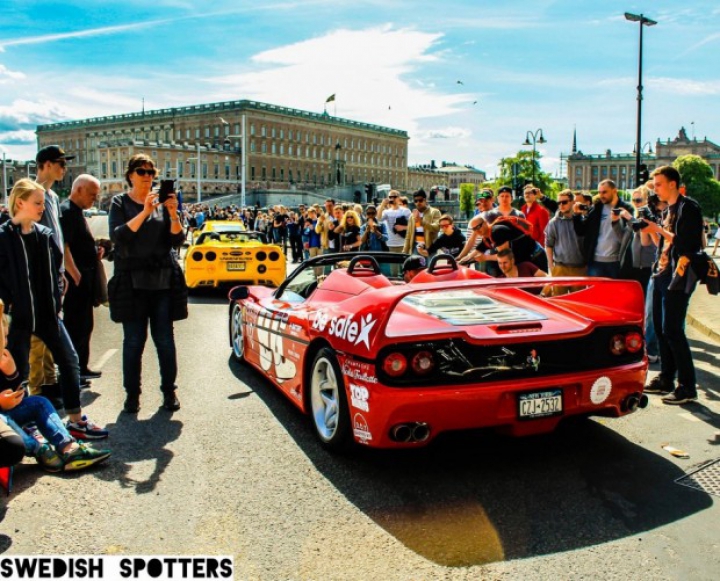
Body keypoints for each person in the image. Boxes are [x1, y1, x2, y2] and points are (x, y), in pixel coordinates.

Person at [0, 179, 108, 440]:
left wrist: (58, 294)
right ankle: (24, 422)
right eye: (37, 203)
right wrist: (9, 304)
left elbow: (55, 270)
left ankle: (75, 419)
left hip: (49, 314)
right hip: (19, 317)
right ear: (20, 202)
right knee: (19, 373)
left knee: (70, 361)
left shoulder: (44, 236)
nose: (42, 208)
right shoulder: (3, 237)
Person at [108, 154, 187, 414]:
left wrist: (173, 214)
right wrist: (145, 212)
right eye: (142, 171)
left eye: (151, 172)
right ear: (130, 174)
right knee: (133, 341)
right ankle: (132, 394)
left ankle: (169, 391)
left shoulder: (164, 203)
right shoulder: (119, 202)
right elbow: (119, 237)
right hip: (132, 282)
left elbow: (177, 240)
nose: (147, 177)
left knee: (165, 340)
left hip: (162, 281)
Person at [0, 307, 110, 472]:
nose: (7, 341)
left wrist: (12, 374)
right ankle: (38, 448)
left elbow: (15, 390)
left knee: (40, 402)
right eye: (4, 337)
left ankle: (67, 445)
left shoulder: (4, 355)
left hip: (9, 412)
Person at [642, 166, 704, 405]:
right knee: (659, 327)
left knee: (673, 330)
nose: (654, 188)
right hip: (661, 272)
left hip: (679, 274)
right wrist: (652, 229)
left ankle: (687, 386)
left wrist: (657, 229)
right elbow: (664, 243)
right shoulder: (667, 210)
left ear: (672, 184)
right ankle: (666, 378)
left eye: (658, 184)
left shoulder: (689, 208)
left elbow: (688, 243)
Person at [28, 145, 73, 399]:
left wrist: (62, 270)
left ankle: (49, 381)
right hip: (37, 274)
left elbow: (57, 236)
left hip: (55, 272)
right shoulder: (29, 192)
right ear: (45, 164)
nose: (63, 169)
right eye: (60, 163)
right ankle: (37, 388)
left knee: (52, 328)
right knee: (39, 332)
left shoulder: (53, 197)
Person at [60, 175, 104, 381]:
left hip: (84, 275)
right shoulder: (68, 211)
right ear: (78, 189)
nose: (94, 199)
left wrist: (94, 250)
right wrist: (75, 274)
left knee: (84, 324)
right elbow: (65, 245)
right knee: (76, 325)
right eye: (92, 194)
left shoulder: (76, 211)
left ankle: (81, 367)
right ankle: (74, 371)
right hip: (77, 278)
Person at [572, 179, 632, 278]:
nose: (601, 195)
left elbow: (630, 236)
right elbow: (581, 231)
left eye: (604, 192)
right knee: (596, 293)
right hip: (595, 261)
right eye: (599, 192)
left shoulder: (626, 209)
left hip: (617, 262)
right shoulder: (596, 209)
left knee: (614, 293)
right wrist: (576, 216)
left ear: (614, 191)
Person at [544, 189, 586, 295]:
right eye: (559, 203)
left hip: (579, 268)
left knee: (578, 302)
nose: (561, 205)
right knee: (559, 301)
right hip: (560, 268)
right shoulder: (553, 222)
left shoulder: (582, 220)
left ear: (572, 202)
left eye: (564, 202)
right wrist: (551, 267)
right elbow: (549, 245)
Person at [403, 189, 441, 255]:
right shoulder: (412, 216)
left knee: (430, 265)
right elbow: (408, 235)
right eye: (415, 201)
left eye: (420, 200)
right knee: (415, 265)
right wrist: (404, 252)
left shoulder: (435, 212)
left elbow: (436, 228)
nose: (418, 203)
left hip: (429, 248)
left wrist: (421, 222)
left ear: (425, 200)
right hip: (416, 247)